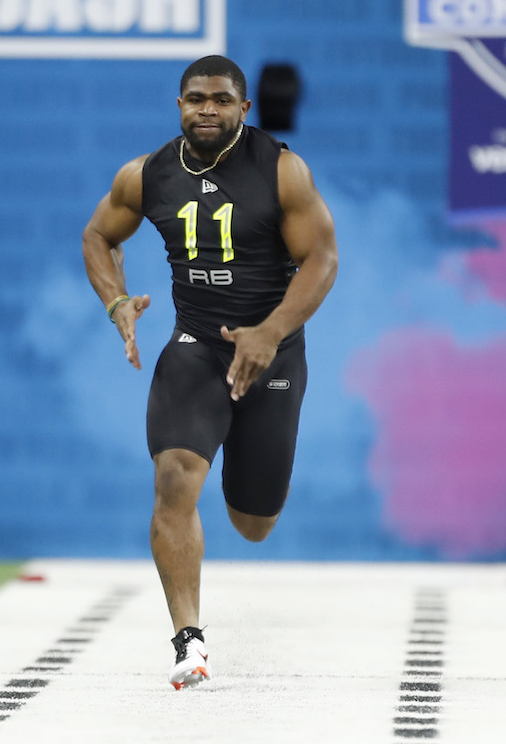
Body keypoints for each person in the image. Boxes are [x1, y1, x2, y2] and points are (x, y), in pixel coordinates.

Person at [81, 55, 338, 689]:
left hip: (273, 354)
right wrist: (116, 301)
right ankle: (188, 640)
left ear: (243, 109)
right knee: (173, 476)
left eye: (222, 100)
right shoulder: (146, 174)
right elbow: (98, 236)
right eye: (196, 98)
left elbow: (322, 258)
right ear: (179, 105)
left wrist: (270, 332)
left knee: (253, 523)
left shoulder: (281, 170)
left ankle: (249, 482)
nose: (207, 109)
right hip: (196, 346)